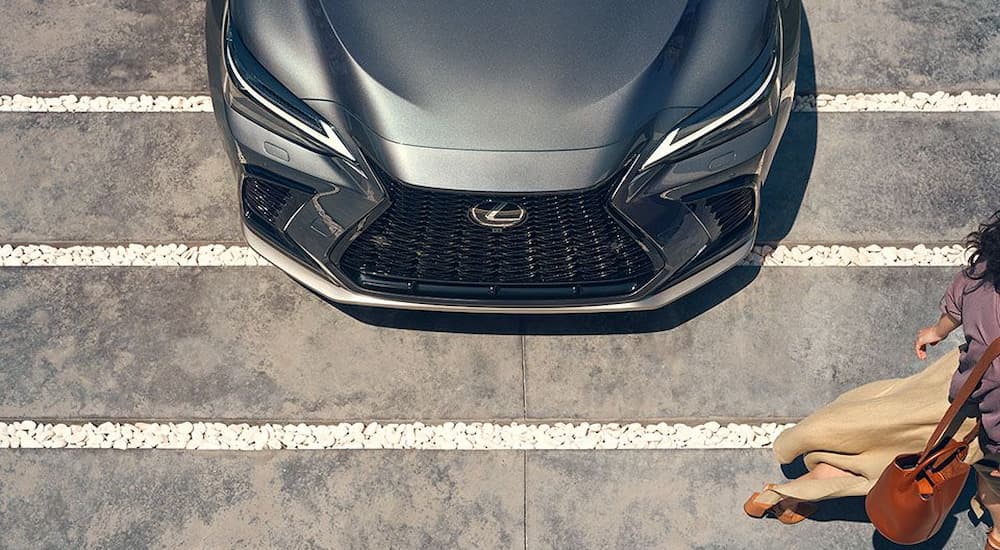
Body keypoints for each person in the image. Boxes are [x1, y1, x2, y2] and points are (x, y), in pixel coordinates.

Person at [744, 210, 1000, 549]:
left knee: (882, 432)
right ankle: (998, 530)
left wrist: (935, 333)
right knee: (944, 470)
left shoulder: (986, 270)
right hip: (979, 413)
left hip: (959, 378)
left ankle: (786, 493)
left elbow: (957, 301)